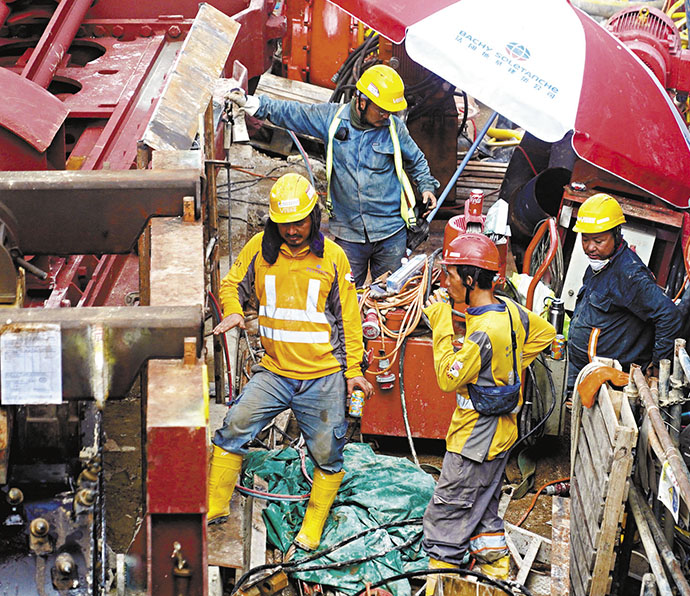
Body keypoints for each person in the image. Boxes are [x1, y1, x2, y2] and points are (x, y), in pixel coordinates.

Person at [207, 173, 373, 552]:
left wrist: (352, 372)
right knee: (234, 427)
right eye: (284, 224)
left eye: (299, 222)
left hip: (322, 377)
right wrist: (233, 310)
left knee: (328, 453)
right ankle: (215, 507)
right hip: (275, 371)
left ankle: (313, 525)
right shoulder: (259, 250)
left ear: (314, 217)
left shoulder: (333, 258)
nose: (292, 231)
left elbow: (349, 319)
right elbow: (231, 284)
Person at [421, 233, 555, 592]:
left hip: (474, 441)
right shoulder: (509, 310)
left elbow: (448, 378)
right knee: (484, 506)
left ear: (469, 280)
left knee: (448, 511)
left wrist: (441, 324)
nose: (444, 282)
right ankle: (495, 568)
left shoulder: (483, 333)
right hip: (502, 435)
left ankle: (440, 582)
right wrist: (506, 371)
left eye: (450, 275)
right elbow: (545, 334)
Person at [225, 64, 439, 287]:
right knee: (344, 294)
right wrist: (252, 104)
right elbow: (293, 112)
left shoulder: (394, 128)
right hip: (349, 233)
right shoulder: (332, 119)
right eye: (382, 110)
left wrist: (427, 187)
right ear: (362, 101)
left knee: (391, 296)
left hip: (390, 232)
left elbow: (417, 161)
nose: (386, 116)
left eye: (390, 112)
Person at [566, 193, 683, 387]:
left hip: (608, 379)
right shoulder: (599, 263)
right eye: (585, 239)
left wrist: (657, 365)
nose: (589, 248)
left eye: (598, 241)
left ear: (616, 234)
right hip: (583, 369)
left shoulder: (629, 275)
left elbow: (669, 315)